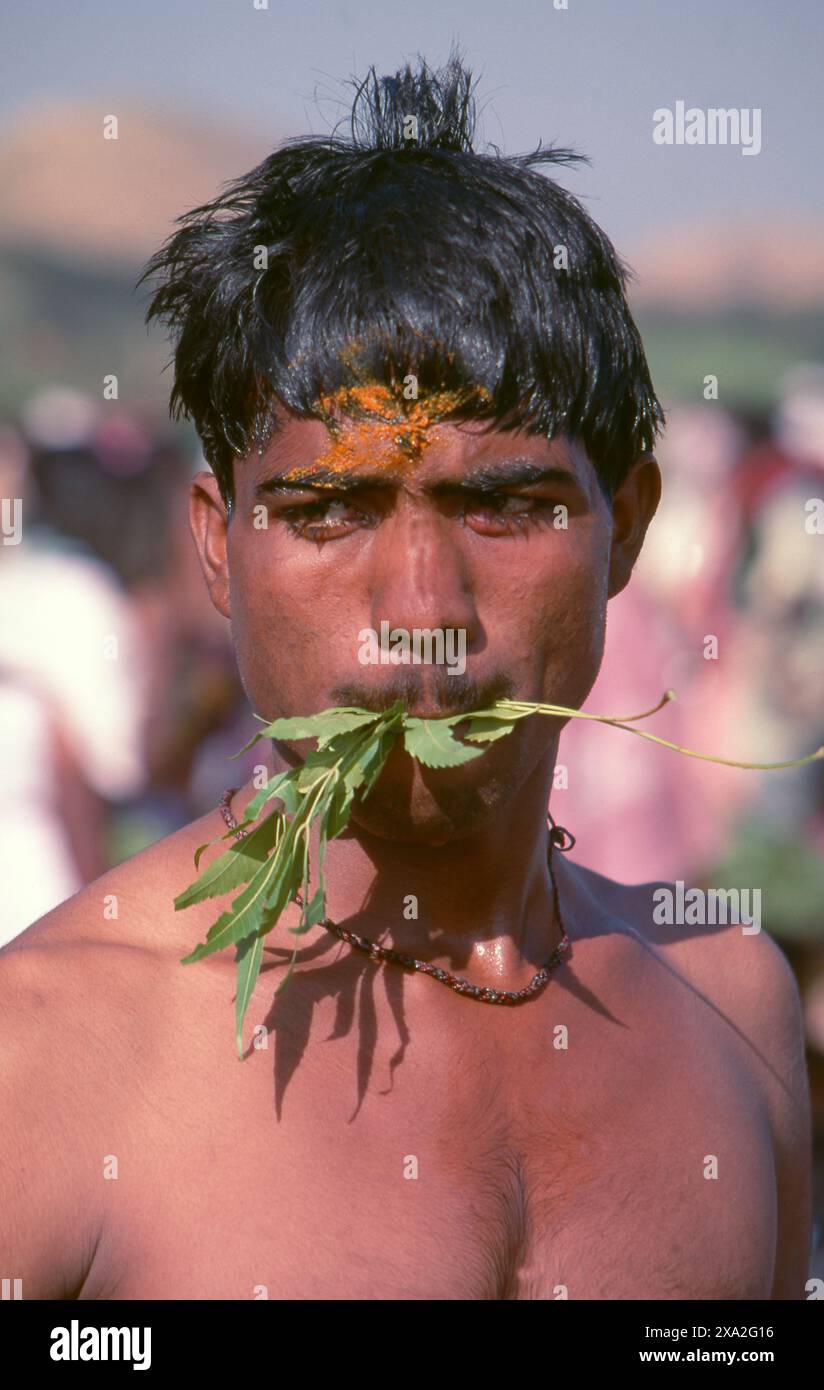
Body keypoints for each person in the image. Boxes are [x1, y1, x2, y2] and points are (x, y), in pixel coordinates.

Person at [0, 52, 811, 1301]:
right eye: (328, 511)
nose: (423, 610)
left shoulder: (729, 1006)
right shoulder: (47, 1060)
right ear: (220, 543)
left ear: (628, 530)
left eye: (504, 505)